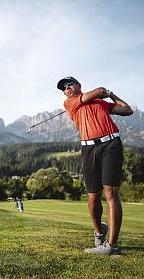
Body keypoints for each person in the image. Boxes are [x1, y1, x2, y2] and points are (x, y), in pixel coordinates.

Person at [57, 76, 133, 256]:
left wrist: (111, 95)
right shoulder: (70, 103)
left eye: (69, 84)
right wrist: (104, 92)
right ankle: (99, 232)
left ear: (78, 85)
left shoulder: (100, 102)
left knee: (111, 193)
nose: (67, 89)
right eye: (63, 88)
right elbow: (99, 90)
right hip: (89, 149)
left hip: (111, 144)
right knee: (93, 197)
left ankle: (112, 246)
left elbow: (127, 110)